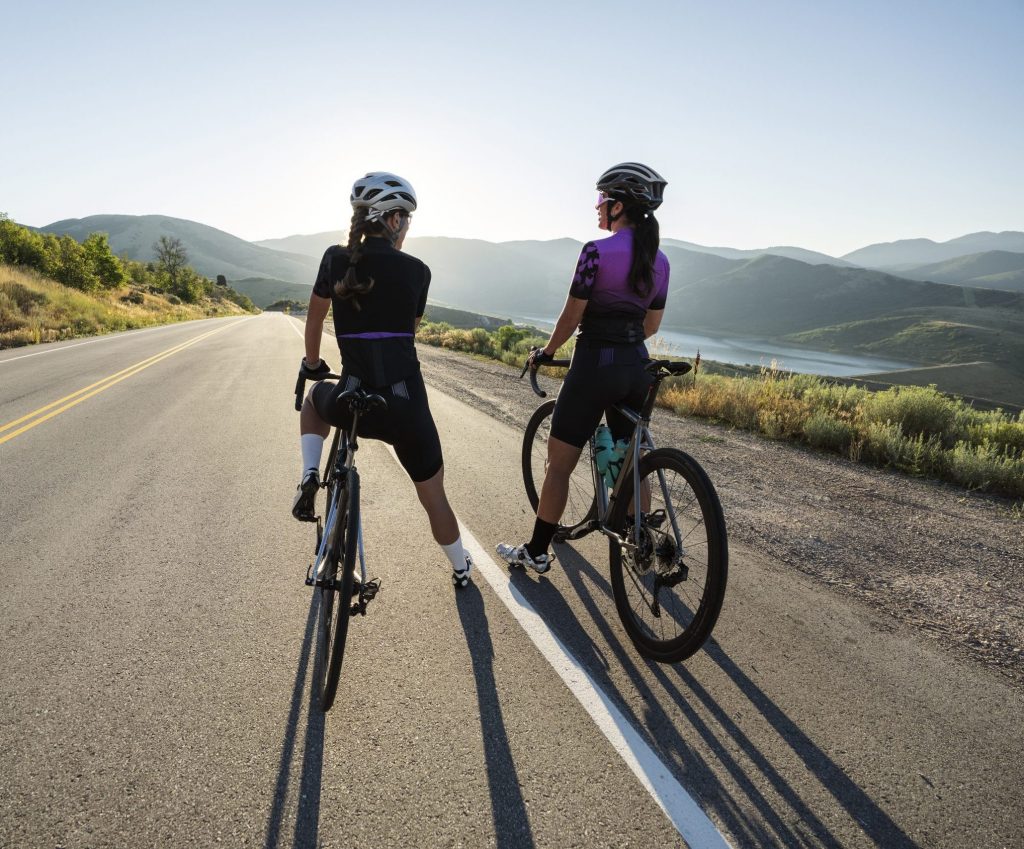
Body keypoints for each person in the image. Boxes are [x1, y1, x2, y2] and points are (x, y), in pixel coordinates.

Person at [293, 172, 473, 588]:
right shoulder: (417, 271)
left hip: (351, 396)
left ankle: (308, 475)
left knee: (313, 402)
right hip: (405, 406)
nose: (407, 228)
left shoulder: (334, 259)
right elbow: (406, 332)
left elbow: (316, 315)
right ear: (393, 221)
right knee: (434, 495)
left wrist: (314, 363)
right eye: (406, 220)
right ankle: (461, 567)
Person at [496, 162, 670, 573]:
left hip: (594, 366)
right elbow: (651, 325)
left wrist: (546, 351)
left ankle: (537, 551)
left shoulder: (595, 252)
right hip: (636, 369)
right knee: (632, 454)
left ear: (617, 206)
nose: (596, 208)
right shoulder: (659, 261)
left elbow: (571, 317)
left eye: (601, 200)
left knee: (558, 466)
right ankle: (638, 536)